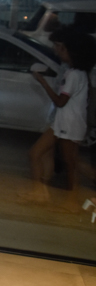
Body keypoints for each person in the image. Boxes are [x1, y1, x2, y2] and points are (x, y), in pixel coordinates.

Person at [27, 26, 96, 203]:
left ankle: (69, 202)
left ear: (70, 50)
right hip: (63, 122)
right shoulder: (78, 73)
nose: (56, 50)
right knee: (43, 155)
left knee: (69, 163)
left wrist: (42, 82)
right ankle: (40, 193)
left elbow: (60, 101)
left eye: (59, 47)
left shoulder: (74, 75)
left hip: (68, 124)